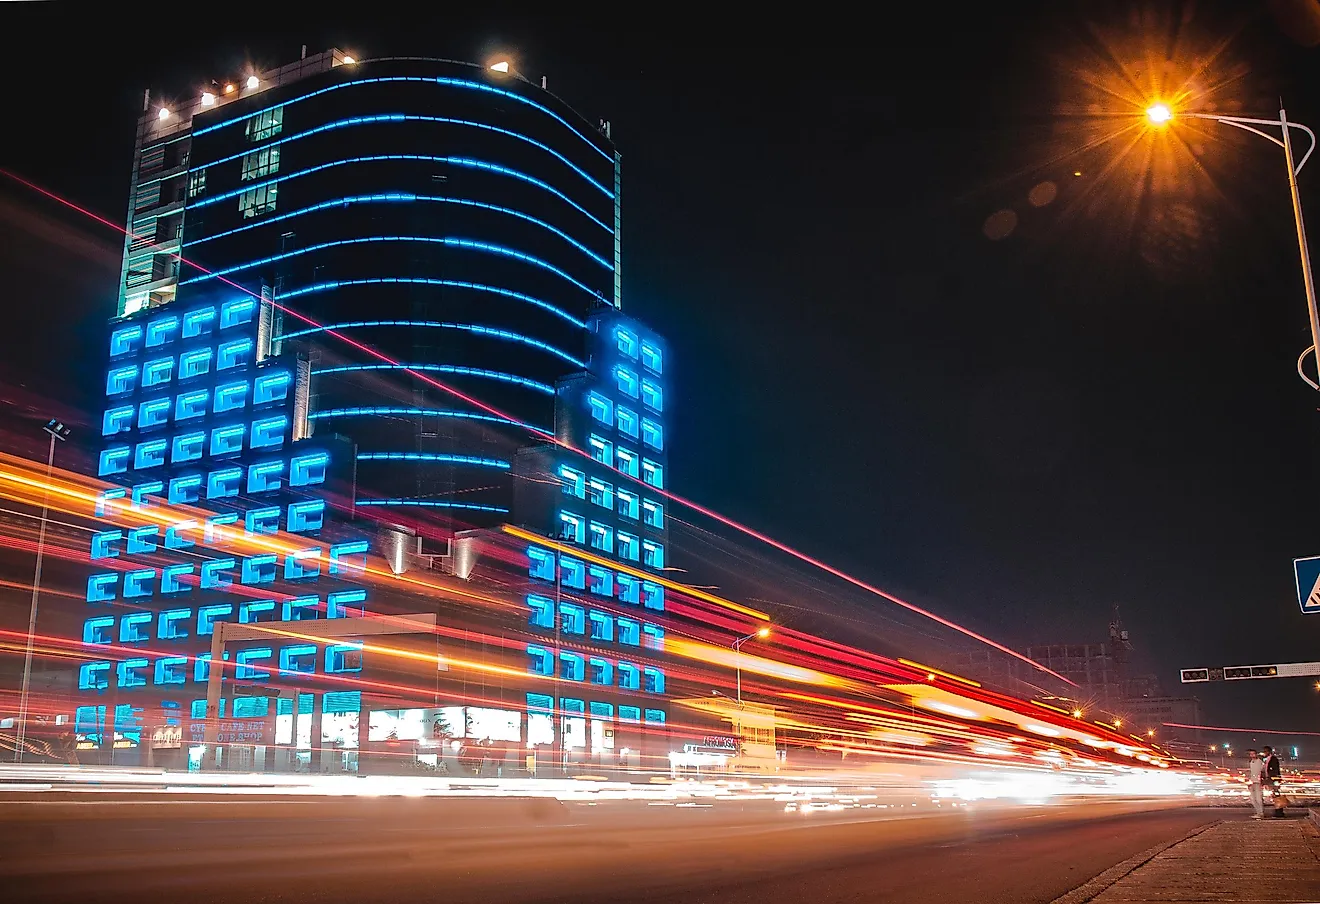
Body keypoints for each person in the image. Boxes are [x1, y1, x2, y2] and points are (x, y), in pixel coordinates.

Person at [1262, 745, 1285, 817]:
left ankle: (1279, 812)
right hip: (1271, 780)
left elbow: (1275, 770)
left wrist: (1273, 779)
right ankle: (1278, 811)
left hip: (1274, 780)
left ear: (1269, 752)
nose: (1264, 753)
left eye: (1265, 751)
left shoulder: (1273, 759)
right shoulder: (1266, 760)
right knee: (1274, 796)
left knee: (1276, 796)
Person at [1246, 749, 1265, 819]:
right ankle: (1258, 812)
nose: (1252, 755)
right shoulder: (1251, 762)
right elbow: (1251, 773)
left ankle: (1261, 813)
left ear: (1256, 754)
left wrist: (1261, 781)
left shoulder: (1259, 762)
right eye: (1251, 754)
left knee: (1258, 798)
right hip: (1252, 782)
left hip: (1258, 782)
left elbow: (1261, 771)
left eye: (1253, 754)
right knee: (1253, 799)